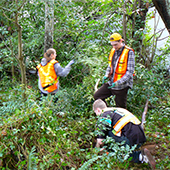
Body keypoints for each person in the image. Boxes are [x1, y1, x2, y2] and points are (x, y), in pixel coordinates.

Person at [93, 99, 156, 169]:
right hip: (141, 138)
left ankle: (140, 156)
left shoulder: (104, 115)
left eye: (96, 113)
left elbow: (100, 141)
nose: (97, 116)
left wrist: (96, 151)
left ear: (98, 110)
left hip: (130, 138)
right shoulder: (117, 110)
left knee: (107, 134)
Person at [94, 33, 135, 109]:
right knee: (97, 96)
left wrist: (118, 83)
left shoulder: (129, 52)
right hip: (111, 83)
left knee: (121, 108)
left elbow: (129, 72)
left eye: (116, 44)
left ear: (121, 41)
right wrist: (106, 75)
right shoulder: (113, 51)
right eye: (112, 45)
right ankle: (107, 113)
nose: (114, 47)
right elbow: (110, 65)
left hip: (122, 86)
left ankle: (122, 120)